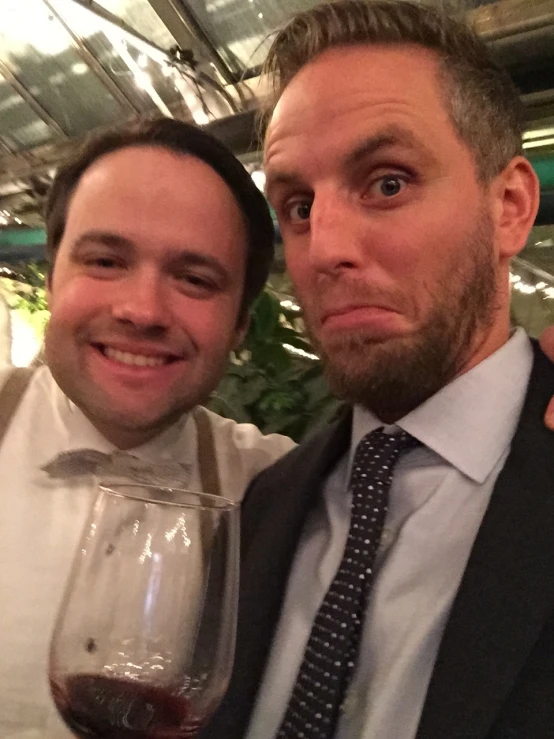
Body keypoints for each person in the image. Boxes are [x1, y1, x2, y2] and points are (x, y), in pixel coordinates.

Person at [200, 2, 554, 738]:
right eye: (297, 206)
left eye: (387, 183)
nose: (322, 248)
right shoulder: (267, 504)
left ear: (510, 207)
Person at [0, 118, 294, 739]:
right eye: (105, 260)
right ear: (53, 278)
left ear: (240, 324)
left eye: (194, 279)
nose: (142, 310)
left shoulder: (277, 488)